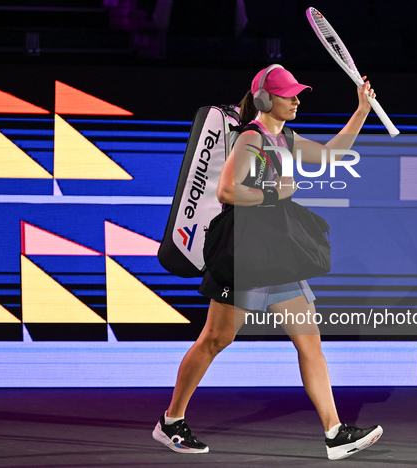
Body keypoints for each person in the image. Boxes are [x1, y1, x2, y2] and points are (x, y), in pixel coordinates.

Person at [152, 64, 383, 461]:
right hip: (243, 254)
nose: (295, 100)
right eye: (288, 94)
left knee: (310, 343)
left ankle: (334, 432)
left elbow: (332, 154)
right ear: (264, 100)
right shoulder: (250, 140)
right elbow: (226, 191)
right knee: (214, 340)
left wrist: (362, 109)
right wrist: (274, 195)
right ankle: (171, 421)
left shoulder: (285, 138)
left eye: (297, 94)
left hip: (276, 255)